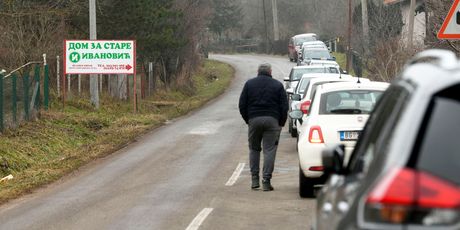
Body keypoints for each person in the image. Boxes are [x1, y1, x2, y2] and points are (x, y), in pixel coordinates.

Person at [238, 63, 289, 191]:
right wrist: (281, 122)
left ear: (258, 71)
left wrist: (248, 119)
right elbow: (284, 106)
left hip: (254, 120)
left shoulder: (249, 84)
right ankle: (266, 180)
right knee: (269, 150)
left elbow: (242, 104)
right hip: (272, 120)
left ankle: (254, 179)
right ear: (270, 72)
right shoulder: (277, 85)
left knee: (254, 149)